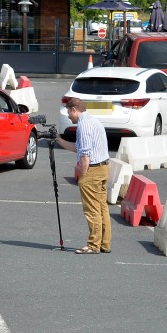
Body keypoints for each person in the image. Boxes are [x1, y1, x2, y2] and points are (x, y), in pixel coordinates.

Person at [55, 97, 112, 254]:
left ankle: (93, 245)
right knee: (101, 207)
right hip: (103, 167)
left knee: (92, 209)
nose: (68, 116)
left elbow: (85, 154)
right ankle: (104, 243)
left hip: (92, 170)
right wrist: (58, 140)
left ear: (74, 109)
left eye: (69, 112)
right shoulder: (92, 121)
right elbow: (77, 148)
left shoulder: (83, 125)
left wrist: (83, 176)